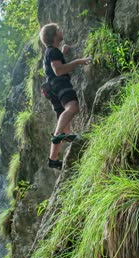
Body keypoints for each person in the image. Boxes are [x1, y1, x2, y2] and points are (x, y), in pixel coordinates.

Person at [39, 23, 91, 170]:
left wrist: (63, 52)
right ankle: (57, 135)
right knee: (72, 107)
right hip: (60, 84)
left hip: (52, 88)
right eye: (59, 30)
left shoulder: (52, 52)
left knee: (65, 125)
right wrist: (79, 61)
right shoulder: (52, 52)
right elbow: (58, 70)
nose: (62, 31)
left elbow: (54, 65)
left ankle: (53, 159)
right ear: (55, 36)